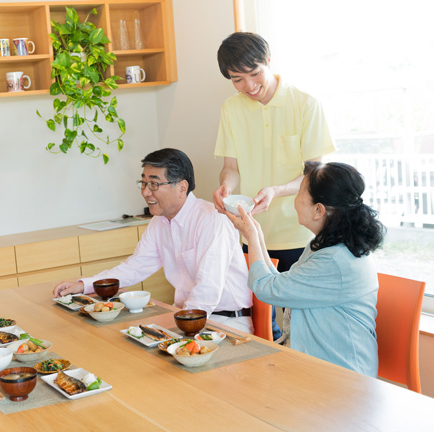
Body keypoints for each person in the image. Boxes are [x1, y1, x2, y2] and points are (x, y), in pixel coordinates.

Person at [212, 32, 337, 343]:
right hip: (252, 231)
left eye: (255, 74)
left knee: (302, 321)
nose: (250, 87)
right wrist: (225, 189)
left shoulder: (305, 105)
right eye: (238, 80)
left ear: (269, 61)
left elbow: (315, 175)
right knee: (262, 325)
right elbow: (230, 168)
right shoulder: (231, 109)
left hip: (299, 231)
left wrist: (277, 190)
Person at [53, 148, 253, 333]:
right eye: (144, 183)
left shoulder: (212, 219)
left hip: (227, 322)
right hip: (187, 315)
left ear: (182, 187)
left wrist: (178, 333)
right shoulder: (159, 221)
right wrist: (84, 285)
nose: (146, 192)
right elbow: (135, 267)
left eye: (154, 184)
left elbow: (207, 290)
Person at [226, 162, 383, 376]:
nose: (295, 200)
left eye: (300, 193)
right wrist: (257, 235)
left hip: (344, 377)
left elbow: (266, 288)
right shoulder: (326, 245)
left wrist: (250, 236)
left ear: (319, 210)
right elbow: (280, 284)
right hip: (317, 365)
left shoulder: (335, 261)